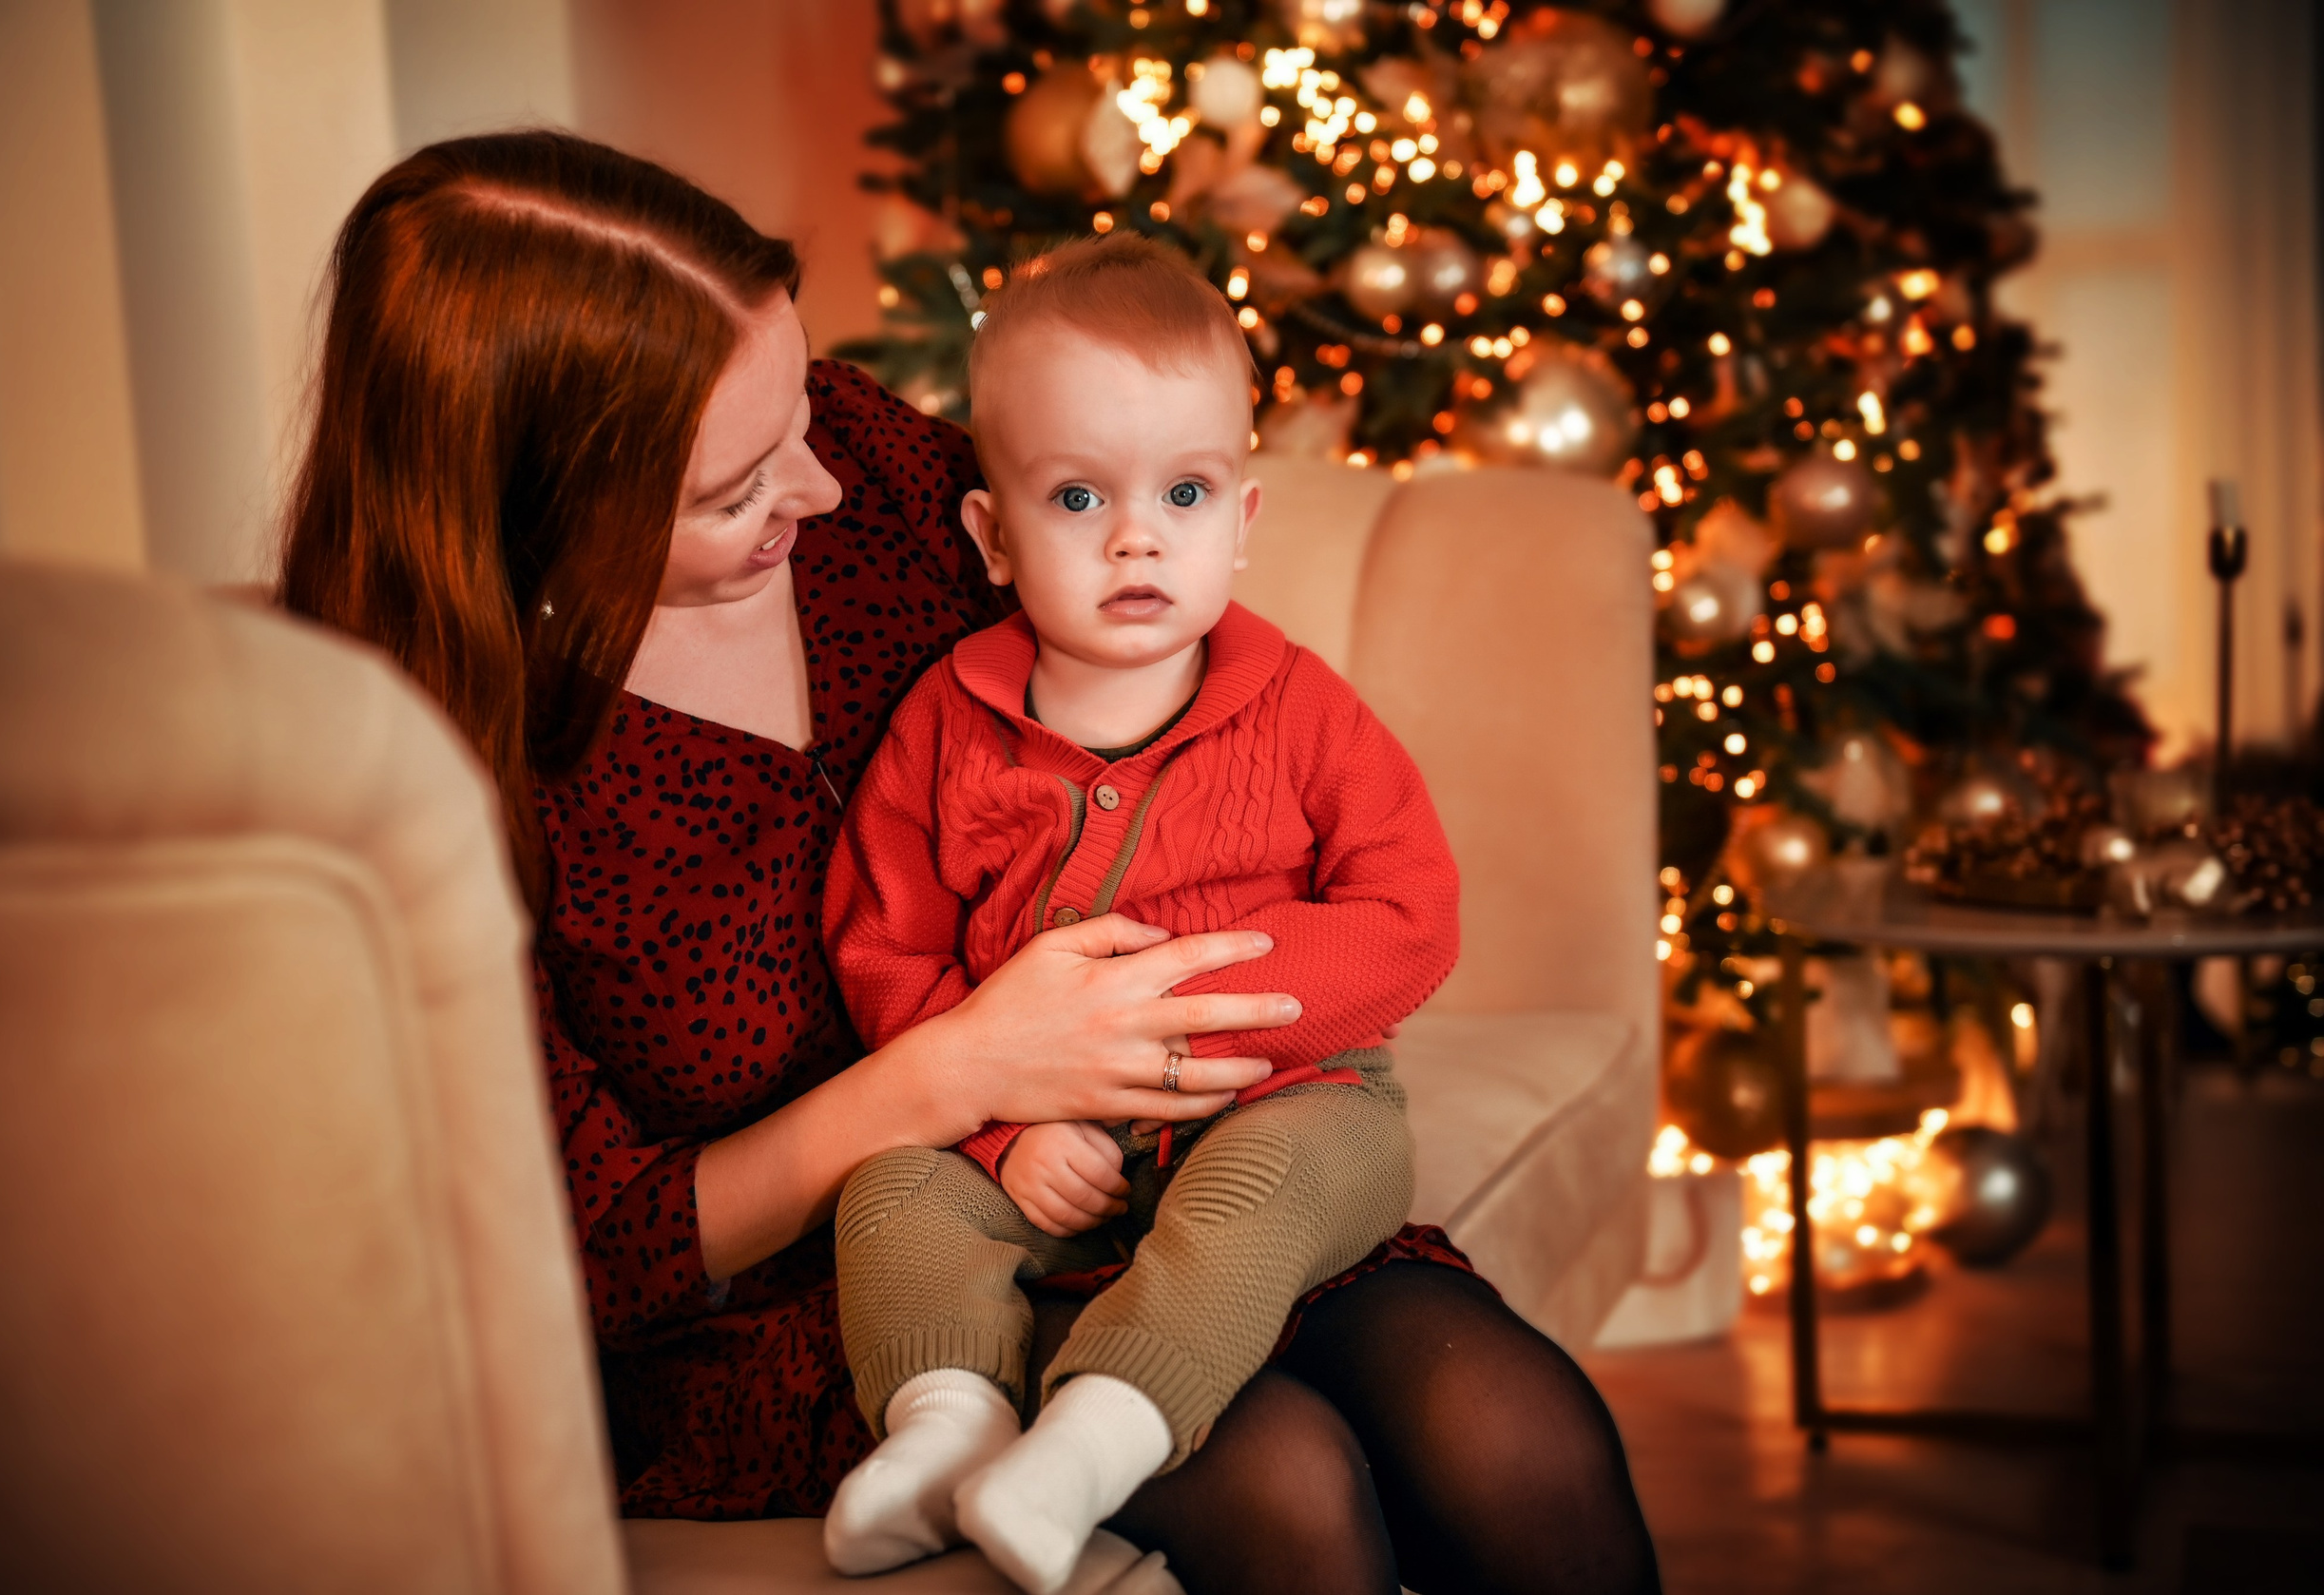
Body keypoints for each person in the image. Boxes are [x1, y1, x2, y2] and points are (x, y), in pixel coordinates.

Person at [278, 128, 1660, 1595]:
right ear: (543, 511)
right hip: (833, 1282)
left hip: (1162, 1161)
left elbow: (1131, 570)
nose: (818, 486)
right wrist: (969, 1075)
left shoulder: (867, 476)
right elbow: (588, 1244)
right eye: (735, 487)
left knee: (1516, 1431)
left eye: (801, 402)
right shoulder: (419, 763)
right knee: (1282, 1480)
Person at [817, 235, 1455, 1593]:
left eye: (1183, 491)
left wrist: (1197, 1003)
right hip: (1042, 1148)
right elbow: (889, 948)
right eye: (1075, 497)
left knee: (1254, 1186)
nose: (1136, 537)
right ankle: (947, 1427)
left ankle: (1096, 1439)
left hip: (1298, 1105)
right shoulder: (947, 721)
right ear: (992, 537)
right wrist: (1000, 1128)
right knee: (888, 1196)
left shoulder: (1301, 707)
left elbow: (1410, 914)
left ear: (1242, 517)